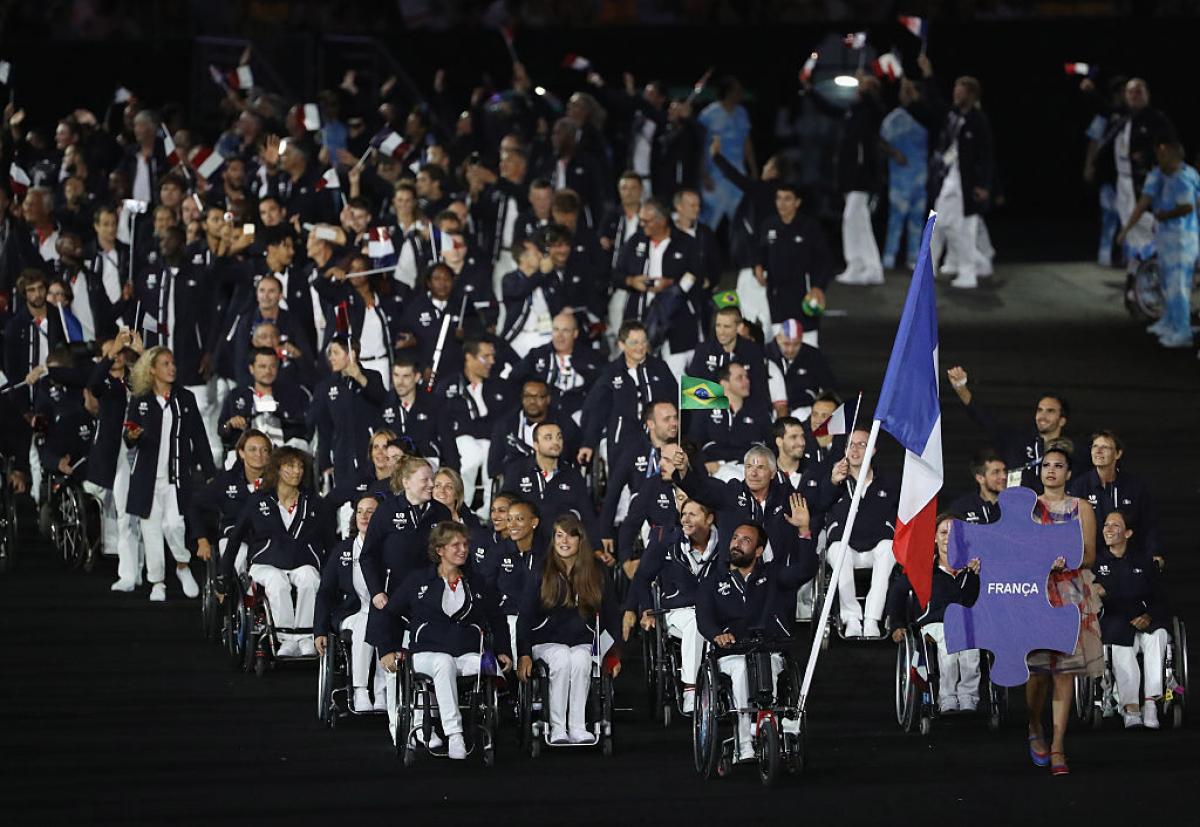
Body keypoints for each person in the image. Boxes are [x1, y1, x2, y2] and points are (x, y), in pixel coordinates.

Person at [375, 521, 513, 758]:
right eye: (455, 545)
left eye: (465, 544)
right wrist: (387, 649)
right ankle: (454, 733)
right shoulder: (418, 580)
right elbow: (388, 615)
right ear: (440, 550)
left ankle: (480, 730)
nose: (463, 549)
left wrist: (502, 650)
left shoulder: (476, 582)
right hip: (427, 655)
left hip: (466, 652)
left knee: (484, 666)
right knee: (443, 662)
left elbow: (497, 618)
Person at [695, 500, 817, 762]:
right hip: (731, 653)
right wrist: (717, 634)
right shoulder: (712, 582)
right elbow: (703, 618)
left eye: (746, 540)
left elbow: (805, 570)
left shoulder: (773, 575)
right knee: (740, 671)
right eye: (735, 538)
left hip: (767, 648)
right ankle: (744, 744)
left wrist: (805, 531)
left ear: (759, 551)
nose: (737, 543)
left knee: (769, 669)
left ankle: (766, 725)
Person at [1024, 445, 1100, 776]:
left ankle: (1058, 745)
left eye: (1059, 465)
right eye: (1046, 465)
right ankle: (1033, 725)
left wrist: (1067, 560)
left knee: (1064, 672)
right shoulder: (1028, 506)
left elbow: (1090, 555)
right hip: (1036, 594)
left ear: (1069, 473)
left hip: (1070, 594)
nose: (1051, 470)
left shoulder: (1081, 507)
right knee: (1038, 673)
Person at [516, 515, 623, 745]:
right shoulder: (541, 570)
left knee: (583, 659)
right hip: (546, 641)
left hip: (583, 640)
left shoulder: (597, 571)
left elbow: (612, 616)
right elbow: (524, 617)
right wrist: (524, 654)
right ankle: (557, 727)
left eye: (570, 535)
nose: (564, 541)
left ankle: (578, 726)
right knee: (562, 658)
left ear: (580, 539)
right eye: (559, 535)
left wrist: (613, 654)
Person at [123, 346, 216, 602]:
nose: (171, 368)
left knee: (175, 525)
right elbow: (129, 435)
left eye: (173, 363)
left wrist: (210, 472)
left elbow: (199, 436)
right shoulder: (140, 399)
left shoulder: (185, 398)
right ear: (152, 369)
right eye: (165, 363)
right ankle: (157, 582)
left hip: (176, 477)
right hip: (147, 478)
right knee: (151, 530)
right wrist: (131, 436)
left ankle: (183, 565)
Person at [218, 446, 327, 657]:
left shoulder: (313, 503)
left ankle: (304, 637)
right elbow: (235, 539)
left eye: (300, 466)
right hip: (266, 562)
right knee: (277, 581)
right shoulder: (258, 500)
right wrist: (224, 575)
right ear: (277, 469)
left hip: (301, 561)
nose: (296, 471)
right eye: (290, 466)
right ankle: (285, 637)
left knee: (310, 578)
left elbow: (328, 541)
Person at [623, 498, 719, 714]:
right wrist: (646, 609)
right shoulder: (666, 540)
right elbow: (642, 578)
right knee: (697, 621)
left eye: (693, 514)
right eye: (684, 514)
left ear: (709, 518)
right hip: (678, 610)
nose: (685, 519)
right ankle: (691, 689)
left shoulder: (724, 544)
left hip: (716, 611)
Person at [912, 56, 994, 289]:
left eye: (961, 90)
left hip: (967, 185)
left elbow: (987, 156)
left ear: (972, 94)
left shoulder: (979, 121)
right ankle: (929, 268)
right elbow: (935, 102)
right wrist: (928, 74)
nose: (956, 93)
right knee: (938, 224)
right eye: (955, 89)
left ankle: (969, 272)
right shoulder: (952, 115)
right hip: (948, 180)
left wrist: (984, 185)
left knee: (965, 229)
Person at [886, 514, 982, 712]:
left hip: (965, 623)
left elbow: (972, 602)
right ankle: (947, 697)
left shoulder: (973, 569)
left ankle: (968, 697)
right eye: (944, 532)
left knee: (971, 646)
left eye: (954, 533)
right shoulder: (923, 568)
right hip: (932, 624)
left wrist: (971, 576)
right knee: (949, 640)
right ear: (935, 538)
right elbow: (897, 591)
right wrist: (896, 624)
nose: (948, 537)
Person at [814, 429, 899, 638]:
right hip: (845, 547)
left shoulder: (888, 482)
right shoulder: (834, 479)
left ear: (873, 450)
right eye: (851, 444)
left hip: (876, 546)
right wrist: (834, 482)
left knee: (889, 549)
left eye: (862, 444)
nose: (855, 449)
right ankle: (851, 617)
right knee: (837, 549)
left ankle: (871, 619)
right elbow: (819, 506)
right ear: (844, 450)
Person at [1117, 139, 1199, 349]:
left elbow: (1188, 207)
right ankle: (1170, 322)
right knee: (1167, 283)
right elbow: (1145, 201)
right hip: (1167, 237)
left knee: (1178, 286)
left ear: (1174, 155)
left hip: (1182, 238)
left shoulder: (1182, 177)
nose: (1159, 158)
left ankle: (1182, 331)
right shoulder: (1163, 175)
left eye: (1163, 154)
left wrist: (1163, 215)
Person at [1093, 510, 1170, 730]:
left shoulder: (1144, 562)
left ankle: (1151, 704)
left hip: (1144, 621)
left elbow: (1161, 598)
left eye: (1115, 526)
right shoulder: (1097, 564)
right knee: (1119, 643)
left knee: (1160, 635)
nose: (1108, 529)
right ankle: (1131, 707)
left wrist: (1149, 615)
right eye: (1106, 525)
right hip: (1116, 622)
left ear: (1128, 532)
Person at [945, 365, 1077, 490]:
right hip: (1016, 509)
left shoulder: (1072, 453)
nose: (1042, 416)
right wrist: (961, 388)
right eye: (1040, 410)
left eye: (1050, 411)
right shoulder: (1016, 441)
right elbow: (985, 420)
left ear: (1062, 420)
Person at [315, 494, 389, 713]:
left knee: (381, 623)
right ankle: (360, 689)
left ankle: (382, 690)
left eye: (371, 512)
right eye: (359, 511)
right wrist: (319, 629)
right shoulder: (343, 550)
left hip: (386, 610)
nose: (364, 516)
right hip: (352, 612)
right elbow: (325, 592)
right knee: (366, 623)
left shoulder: (389, 548)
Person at [83, 330, 141, 591]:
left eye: (120, 350)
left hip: (143, 449)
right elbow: (93, 384)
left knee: (144, 517)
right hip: (115, 453)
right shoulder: (104, 382)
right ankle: (128, 573)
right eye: (111, 351)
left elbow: (159, 382)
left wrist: (141, 353)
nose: (117, 354)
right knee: (125, 513)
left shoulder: (136, 378)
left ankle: (142, 570)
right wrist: (109, 352)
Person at [189, 429, 272, 581]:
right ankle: (248, 595)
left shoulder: (277, 483)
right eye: (252, 449)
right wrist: (201, 539)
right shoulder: (226, 480)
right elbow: (194, 504)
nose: (259, 455)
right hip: (233, 535)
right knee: (237, 557)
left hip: (267, 536)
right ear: (241, 453)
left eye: (264, 450)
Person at [1068, 429, 1160, 564]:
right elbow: (1071, 527)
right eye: (1095, 447)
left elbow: (1148, 524)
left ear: (1118, 454)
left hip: (1130, 559)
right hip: (1093, 560)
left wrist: (1154, 554)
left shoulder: (1134, 486)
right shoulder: (1080, 486)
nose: (1098, 451)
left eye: (1105, 447)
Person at [307, 335, 386, 488]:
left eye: (336, 353)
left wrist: (359, 378)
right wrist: (325, 463)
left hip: (371, 456)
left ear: (351, 354)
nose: (331, 358)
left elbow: (382, 400)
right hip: (342, 457)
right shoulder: (325, 387)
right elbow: (324, 428)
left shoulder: (372, 377)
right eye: (330, 353)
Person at [686, 362, 771, 482]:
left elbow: (772, 444)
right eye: (739, 378)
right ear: (724, 384)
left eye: (746, 377)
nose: (746, 381)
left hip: (750, 469)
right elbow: (691, 444)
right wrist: (702, 465)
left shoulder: (758, 411)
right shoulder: (706, 410)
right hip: (717, 469)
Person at [880, 79, 929, 271]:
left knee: (917, 218)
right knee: (896, 218)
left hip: (920, 177)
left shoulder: (924, 117)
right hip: (900, 179)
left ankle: (914, 256)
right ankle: (889, 256)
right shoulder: (893, 118)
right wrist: (894, 153)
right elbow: (880, 141)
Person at [697, 77, 754, 232]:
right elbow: (701, 146)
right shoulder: (709, 114)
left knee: (742, 222)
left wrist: (753, 171)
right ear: (728, 92)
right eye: (737, 90)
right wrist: (703, 174)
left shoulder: (742, 113)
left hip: (738, 175)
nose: (740, 94)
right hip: (715, 176)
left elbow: (747, 144)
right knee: (710, 221)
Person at [949, 449, 1006, 524]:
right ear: (980, 478)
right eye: (996, 472)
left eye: (1004, 471)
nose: (1004, 476)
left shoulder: (1015, 506)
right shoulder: (961, 507)